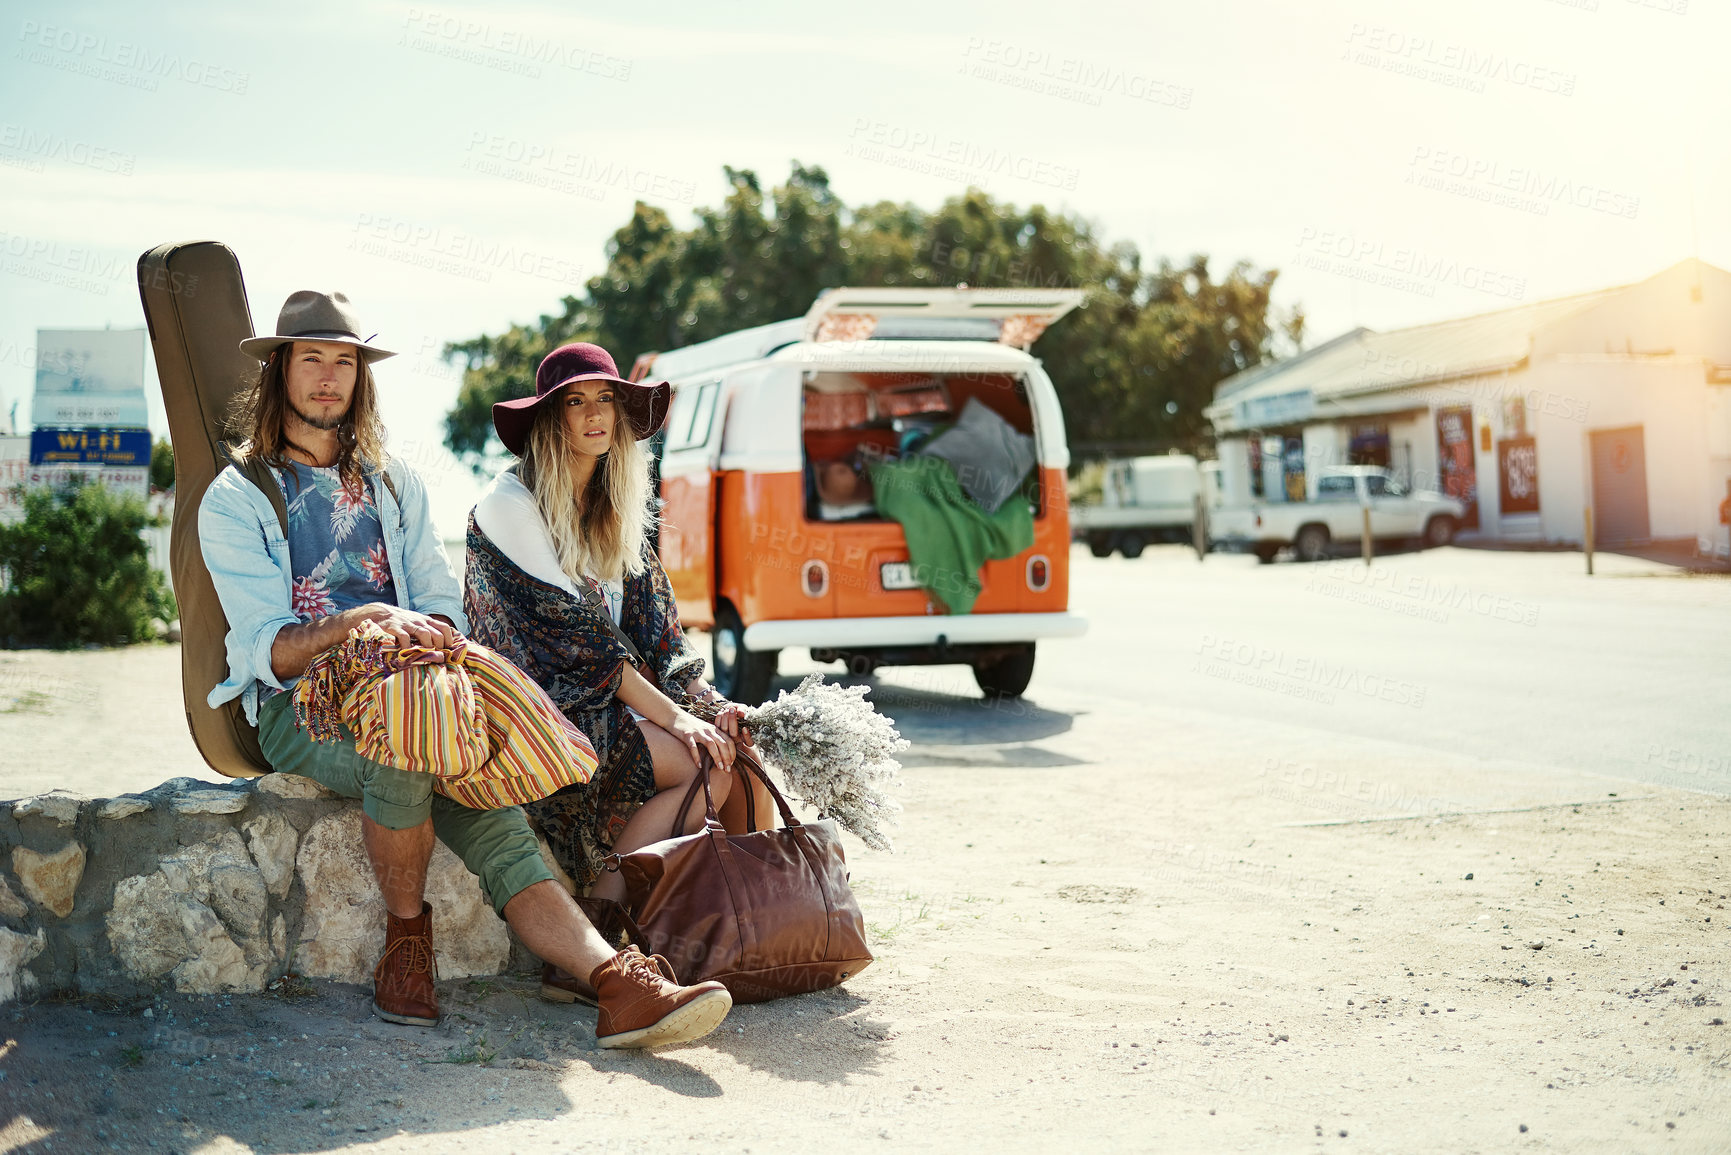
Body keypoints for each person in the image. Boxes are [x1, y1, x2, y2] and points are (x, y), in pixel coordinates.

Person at [199, 291, 731, 1048]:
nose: (328, 377)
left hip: (417, 684)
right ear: (279, 370)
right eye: (311, 359)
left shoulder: (392, 483)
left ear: (360, 377)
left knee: (489, 811)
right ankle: (406, 939)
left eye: (344, 362)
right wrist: (360, 624)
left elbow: (442, 609)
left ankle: (615, 984)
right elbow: (266, 647)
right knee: (407, 743)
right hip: (300, 706)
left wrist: (420, 651)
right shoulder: (236, 495)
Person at [463, 342, 777, 917]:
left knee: (745, 762)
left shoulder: (615, 508)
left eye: (605, 399)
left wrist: (710, 705)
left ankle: (750, 928)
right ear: (547, 419)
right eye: (574, 402)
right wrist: (680, 721)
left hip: (611, 704)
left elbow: (663, 636)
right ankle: (595, 944)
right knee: (707, 764)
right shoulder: (508, 504)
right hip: (541, 712)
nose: (594, 414)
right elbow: (586, 643)